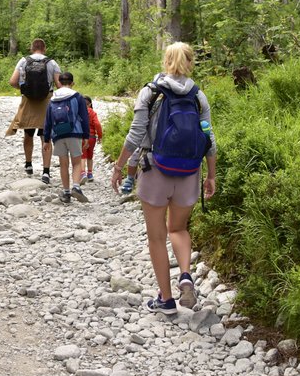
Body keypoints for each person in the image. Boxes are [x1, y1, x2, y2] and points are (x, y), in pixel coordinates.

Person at [110, 42, 217, 315]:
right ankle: (185, 275)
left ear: (165, 61)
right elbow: (209, 140)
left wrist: (119, 167)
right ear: (190, 62)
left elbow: (135, 135)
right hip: (189, 172)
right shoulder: (198, 96)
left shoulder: (150, 92)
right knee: (178, 229)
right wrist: (211, 176)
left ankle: (166, 300)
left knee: (157, 237)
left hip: (155, 168)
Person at [6, 38, 62, 183]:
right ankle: (46, 172)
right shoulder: (52, 62)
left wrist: (23, 88)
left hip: (28, 101)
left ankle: (29, 164)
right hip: (46, 102)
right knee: (45, 136)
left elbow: (12, 81)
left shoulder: (23, 61)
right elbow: (59, 85)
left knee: (28, 134)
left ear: (31, 48)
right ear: (45, 48)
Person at [43, 71, 90, 204]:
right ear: (72, 83)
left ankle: (66, 192)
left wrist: (46, 140)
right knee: (76, 163)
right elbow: (84, 117)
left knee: (63, 164)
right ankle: (76, 186)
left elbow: (47, 121)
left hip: (58, 135)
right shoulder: (77, 96)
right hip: (74, 133)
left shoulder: (52, 99)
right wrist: (86, 135)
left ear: (59, 83)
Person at [80, 96, 103, 184]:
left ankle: (83, 173)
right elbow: (97, 124)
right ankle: (90, 174)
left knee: (82, 155)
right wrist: (100, 135)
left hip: (81, 137)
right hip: (92, 137)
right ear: (90, 104)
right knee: (90, 155)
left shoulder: (79, 112)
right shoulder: (92, 112)